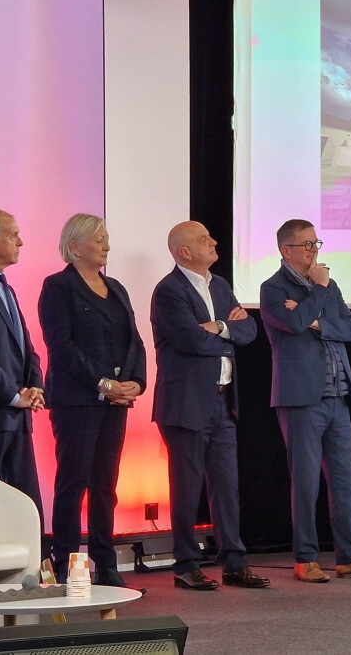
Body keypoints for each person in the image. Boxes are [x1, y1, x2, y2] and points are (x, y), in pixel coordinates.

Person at [260, 219, 351, 582]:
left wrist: (317, 322)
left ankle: (350, 557)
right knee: (306, 482)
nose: (314, 250)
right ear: (286, 250)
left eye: (316, 243)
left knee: (344, 482)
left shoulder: (328, 287)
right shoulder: (273, 288)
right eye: (306, 244)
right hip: (301, 399)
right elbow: (293, 324)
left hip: (338, 396)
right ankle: (305, 558)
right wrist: (318, 295)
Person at [151, 221, 269, 591]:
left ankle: (234, 563)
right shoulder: (169, 290)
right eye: (204, 239)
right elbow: (190, 340)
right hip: (185, 404)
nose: (214, 241)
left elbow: (249, 331)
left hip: (222, 401)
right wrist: (227, 330)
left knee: (226, 486)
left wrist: (217, 326)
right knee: (186, 488)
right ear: (184, 252)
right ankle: (186, 565)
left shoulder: (219, 285)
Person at [38, 214, 147, 588]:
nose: (107, 246)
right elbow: (61, 347)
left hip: (115, 402)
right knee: (74, 482)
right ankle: (67, 565)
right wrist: (102, 383)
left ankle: (106, 564)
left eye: (106, 238)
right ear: (75, 246)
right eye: (99, 240)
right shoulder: (58, 286)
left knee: (105, 485)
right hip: (76, 401)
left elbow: (134, 340)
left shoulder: (116, 287)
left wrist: (135, 383)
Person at [0, 207, 46, 532]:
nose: (20, 242)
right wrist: (12, 394)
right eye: (12, 235)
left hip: (17, 418)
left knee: (26, 506)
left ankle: (34, 563)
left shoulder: (5, 287)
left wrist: (36, 388)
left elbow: (26, 347)